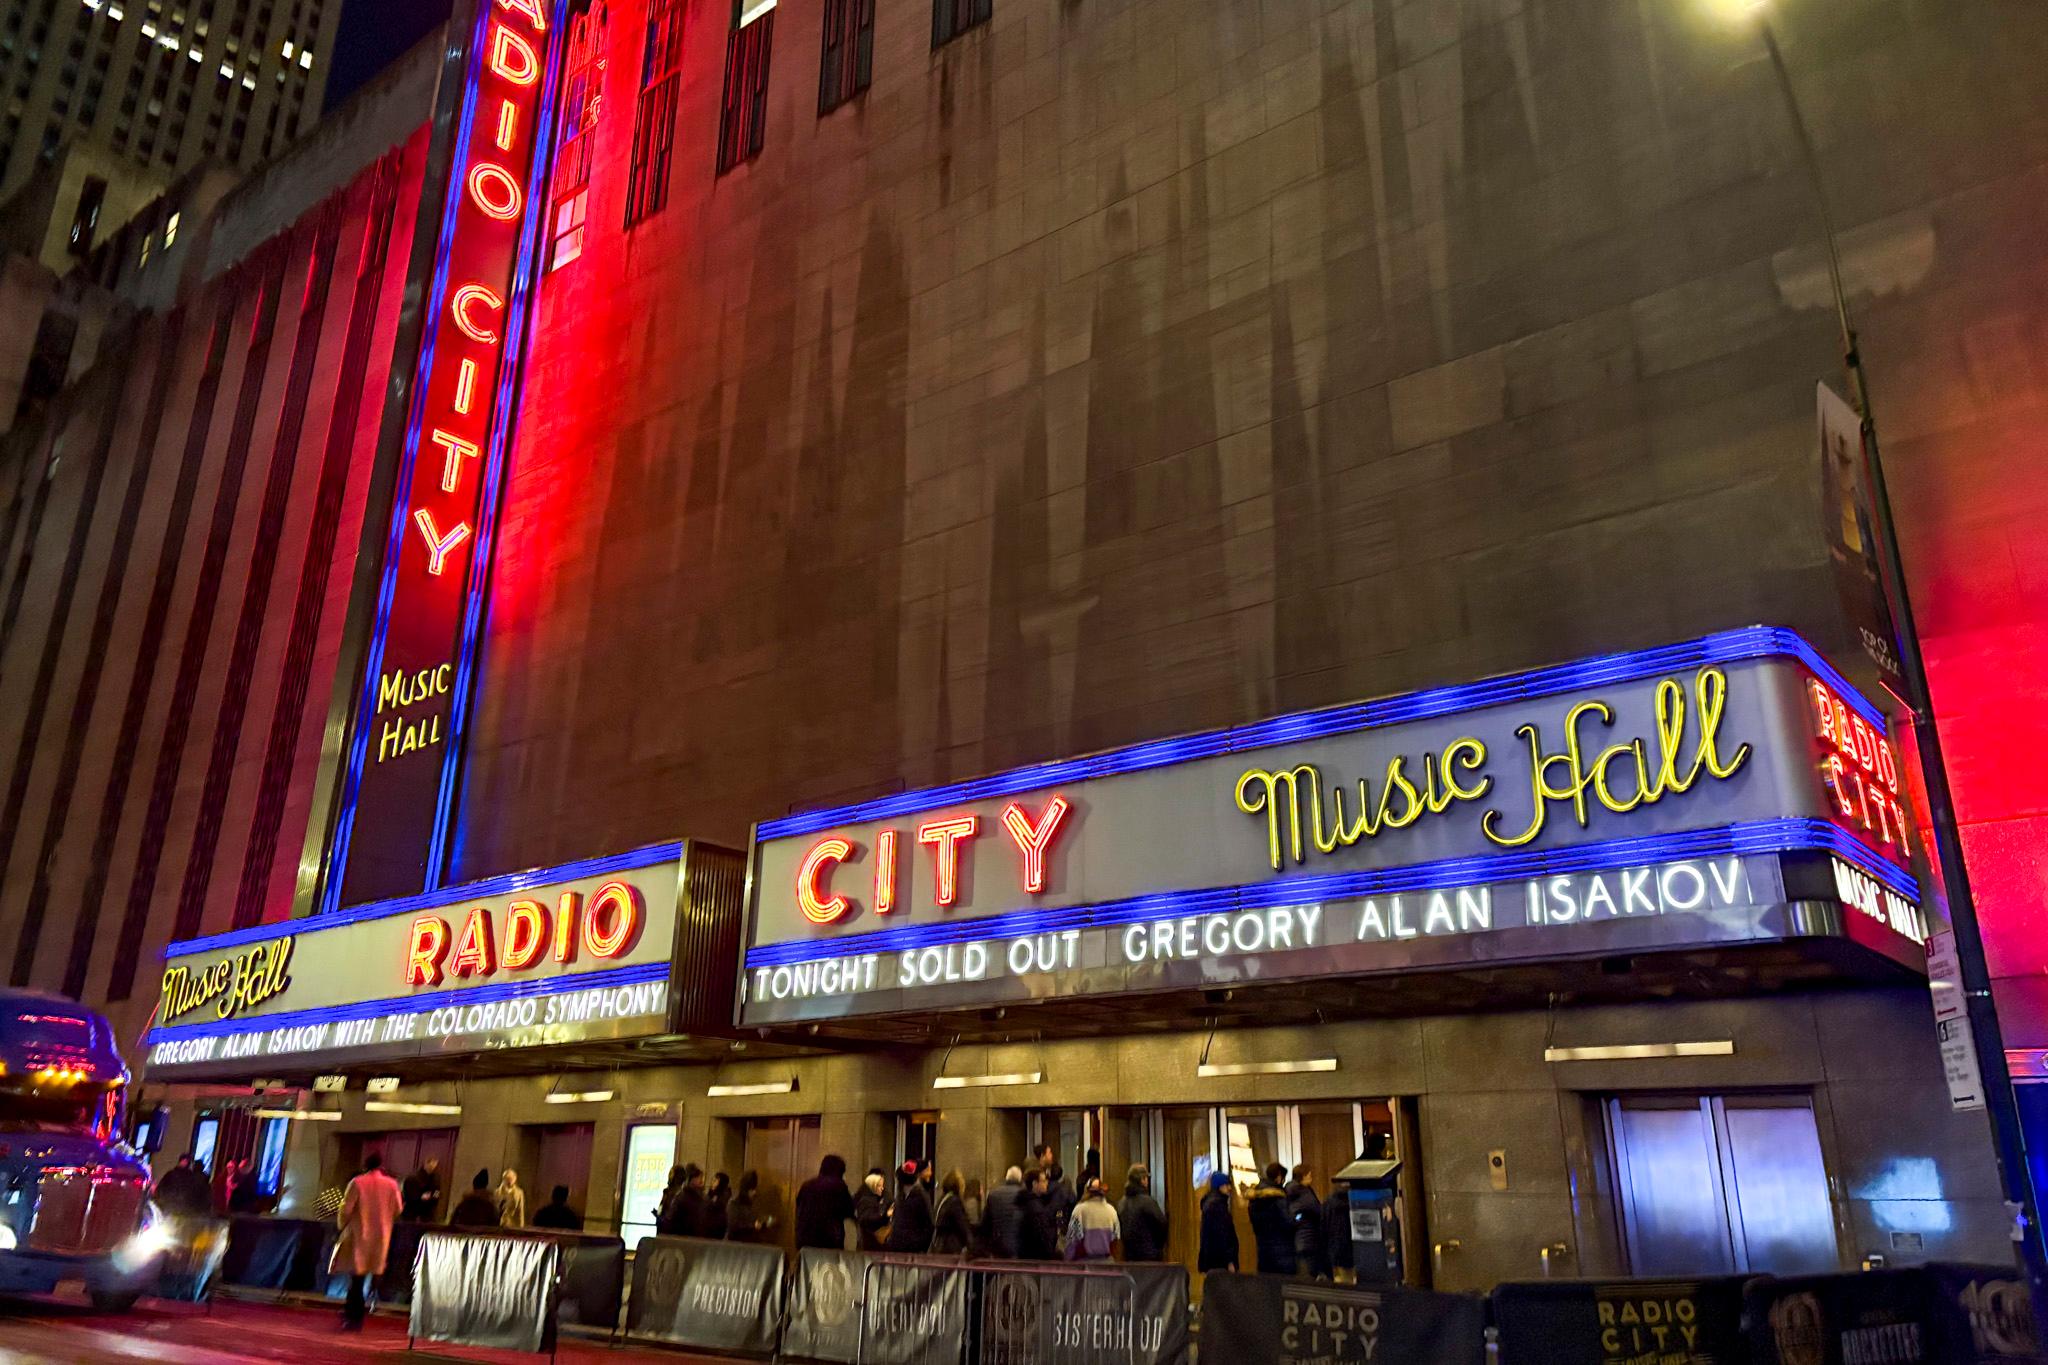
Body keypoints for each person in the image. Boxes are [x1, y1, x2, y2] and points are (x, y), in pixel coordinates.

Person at [332, 1153, 401, 1331]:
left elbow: (346, 1209)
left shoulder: (357, 1183)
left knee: (356, 1278)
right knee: (372, 1274)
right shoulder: (392, 1184)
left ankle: (352, 1316)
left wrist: (342, 1226)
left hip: (359, 1234)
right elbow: (398, 1208)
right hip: (381, 1236)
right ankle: (362, 1312)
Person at [795, 1155, 856, 1250]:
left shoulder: (806, 1185)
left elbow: (799, 1207)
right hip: (829, 1239)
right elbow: (848, 1209)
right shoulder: (838, 1186)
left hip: (805, 1238)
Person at [1248, 1163, 1295, 1274]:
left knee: (1266, 1284)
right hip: (1282, 1249)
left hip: (1263, 1248)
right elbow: (1288, 1221)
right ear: (1279, 1177)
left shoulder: (1255, 1197)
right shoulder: (1278, 1197)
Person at [1117, 1164, 1168, 1263]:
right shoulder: (1148, 1202)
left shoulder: (1121, 1203)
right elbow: (1162, 1224)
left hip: (1129, 1256)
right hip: (1149, 1256)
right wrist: (1158, 1247)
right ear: (1142, 1180)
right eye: (1146, 1178)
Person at [1287, 1165, 1328, 1278]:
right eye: (1309, 1175)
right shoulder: (1303, 1193)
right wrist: (1301, 1218)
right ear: (1303, 1177)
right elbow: (1316, 1210)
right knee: (1309, 1273)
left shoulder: (1292, 1191)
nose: (1311, 1178)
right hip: (1308, 1238)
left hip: (1301, 1238)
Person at [1065, 1178, 1119, 1261]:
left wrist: (1068, 1259)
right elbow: (1115, 1239)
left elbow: (1072, 1240)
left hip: (1084, 1263)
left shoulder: (1079, 1210)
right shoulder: (1112, 1211)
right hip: (1106, 1262)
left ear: (1086, 1191)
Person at [1197, 1172, 1239, 1275]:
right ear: (1220, 1186)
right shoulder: (1218, 1206)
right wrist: (1229, 1260)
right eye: (1226, 1185)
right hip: (1220, 1262)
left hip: (1212, 1261)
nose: (1229, 1188)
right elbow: (1223, 1236)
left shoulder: (1210, 1204)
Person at [888, 1160, 934, 1252]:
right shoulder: (900, 1196)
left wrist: (919, 1246)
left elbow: (929, 1226)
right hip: (898, 1246)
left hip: (912, 1249)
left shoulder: (921, 1196)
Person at [981, 1166, 1026, 1259]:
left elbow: (986, 1222)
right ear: (1020, 1178)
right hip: (1019, 1244)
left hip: (998, 1244)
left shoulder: (993, 1194)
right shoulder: (1025, 1194)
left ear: (1006, 1177)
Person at [1018, 1167, 1059, 1261]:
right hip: (1036, 1258)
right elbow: (1043, 1236)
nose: (1047, 1183)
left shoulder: (1023, 1201)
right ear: (1035, 1184)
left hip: (1026, 1256)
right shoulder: (1036, 1208)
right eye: (1044, 1181)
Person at [931, 1170, 973, 1255]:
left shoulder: (943, 1199)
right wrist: (972, 1247)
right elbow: (963, 1226)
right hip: (951, 1248)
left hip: (940, 1246)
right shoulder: (954, 1201)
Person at [727, 1171, 773, 1242]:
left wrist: (764, 1223)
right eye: (752, 1189)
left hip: (750, 1243)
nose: (755, 1192)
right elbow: (733, 1225)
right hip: (737, 1244)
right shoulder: (734, 1203)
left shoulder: (751, 1203)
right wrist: (752, 1225)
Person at [854, 1171, 890, 1250]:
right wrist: (885, 1215)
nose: (882, 1188)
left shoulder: (884, 1196)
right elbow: (867, 1219)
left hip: (876, 1239)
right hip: (869, 1239)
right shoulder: (866, 1200)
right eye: (879, 1185)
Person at [401, 1159, 443, 1224]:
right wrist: (420, 1197)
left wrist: (435, 1196)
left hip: (428, 1213)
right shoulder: (413, 1178)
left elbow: (437, 1191)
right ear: (426, 1164)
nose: (434, 1167)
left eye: (435, 1164)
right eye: (432, 1164)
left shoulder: (435, 1178)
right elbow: (408, 1196)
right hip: (413, 1213)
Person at [1046, 1162, 1076, 1242]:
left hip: (1047, 1222)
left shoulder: (1044, 1187)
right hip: (1061, 1220)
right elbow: (1072, 1201)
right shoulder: (1064, 1189)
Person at [705, 1171, 732, 1239]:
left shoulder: (724, 1195)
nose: (712, 1183)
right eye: (713, 1180)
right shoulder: (712, 1194)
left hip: (718, 1228)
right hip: (708, 1228)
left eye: (715, 1181)